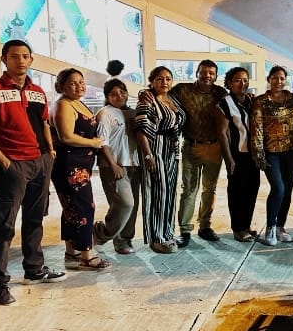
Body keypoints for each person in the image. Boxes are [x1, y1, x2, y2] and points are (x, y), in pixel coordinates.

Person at [0, 39, 66, 305]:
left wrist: (49, 152)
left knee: (35, 219)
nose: (20, 61)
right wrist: (4, 162)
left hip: (40, 163)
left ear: (31, 60)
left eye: (25, 56)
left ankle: (34, 269)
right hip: (12, 166)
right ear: (4, 59)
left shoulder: (38, 91)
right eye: (14, 56)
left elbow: (44, 122)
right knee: (3, 226)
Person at [49, 68, 110, 270]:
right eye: (73, 83)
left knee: (71, 207)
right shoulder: (63, 105)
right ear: (61, 86)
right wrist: (93, 143)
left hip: (80, 164)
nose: (79, 86)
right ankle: (86, 255)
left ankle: (72, 250)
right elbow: (66, 137)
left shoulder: (77, 102)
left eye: (81, 82)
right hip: (69, 165)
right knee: (83, 207)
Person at [170, 59, 228, 246]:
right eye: (203, 72)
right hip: (191, 147)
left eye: (211, 73)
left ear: (216, 76)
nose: (207, 76)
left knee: (209, 189)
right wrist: (145, 93)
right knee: (189, 189)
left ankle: (205, 226)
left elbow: (234, 104)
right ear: (196, 73)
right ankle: (185, 230)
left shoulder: (220, 93)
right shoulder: (182, 90)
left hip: (214, 147)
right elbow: (161, 95)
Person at [135, 66, 186, 253]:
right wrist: (148, 155)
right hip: (155, 149)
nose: (164, 82)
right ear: (152, 81)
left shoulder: (172, 99)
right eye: (159, 78)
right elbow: (140, 130)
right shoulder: (147, 100)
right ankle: (157, 237)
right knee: (158, 193)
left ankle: (168, 233)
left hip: (171, 151)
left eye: (168, 78)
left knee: (170, 193)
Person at [251, 65, 293, 246]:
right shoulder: (261, 101)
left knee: (287, 189)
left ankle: (280, 227)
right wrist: (258, 153)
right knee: (278, 188)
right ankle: (270, 227)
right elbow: (256, 128)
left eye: (281, 78)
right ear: (269, 79)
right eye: (275, 78)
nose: (278, 81)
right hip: (271, 151)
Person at [93, 78, 142, 255]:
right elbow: (102, 142)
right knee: (125, 204)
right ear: (107, 97)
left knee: (133, 206)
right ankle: (101, 233)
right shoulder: (105, 113)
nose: (119, 96)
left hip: (134, 164)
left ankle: (124, 240)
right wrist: (113, 164)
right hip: (113, 166)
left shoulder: (134, 113)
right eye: (113, 94)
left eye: (122, 92)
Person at [217, 67, 260, 243]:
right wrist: (229, 159)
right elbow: (222, 133)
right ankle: (238, 228)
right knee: (237, 192)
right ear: (229, 83)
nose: (242, 83)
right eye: (237, 80)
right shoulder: (224, 104)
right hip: (237, 155)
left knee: (252, 189)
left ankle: (246, 225)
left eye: (245, 80)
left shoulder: (252, 100)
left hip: (253, 154)